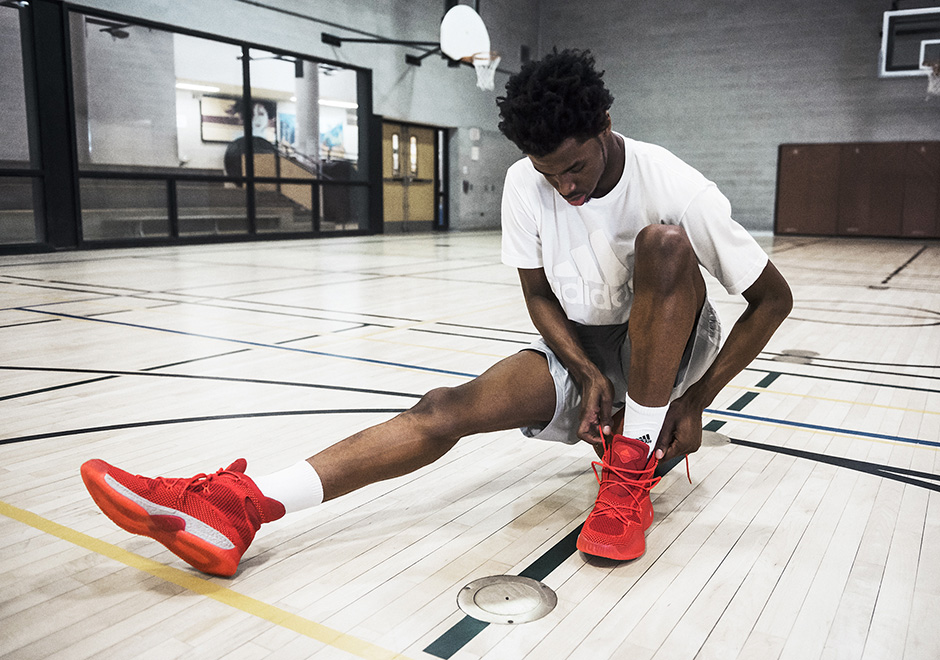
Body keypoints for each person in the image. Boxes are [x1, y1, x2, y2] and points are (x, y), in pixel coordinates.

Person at [81, 49, 792, 577]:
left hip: (676, 338)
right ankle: (242, 505)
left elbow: (772, 299)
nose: (565, 187)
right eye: (550, 174)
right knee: (443, 406)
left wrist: (698, 399)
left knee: (664, 246)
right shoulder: (529, 183)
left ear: (605, 126)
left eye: (574, 167)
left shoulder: (673, 181)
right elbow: (539, 295)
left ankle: (630, 466)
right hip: (587, 344)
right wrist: (580, 368)